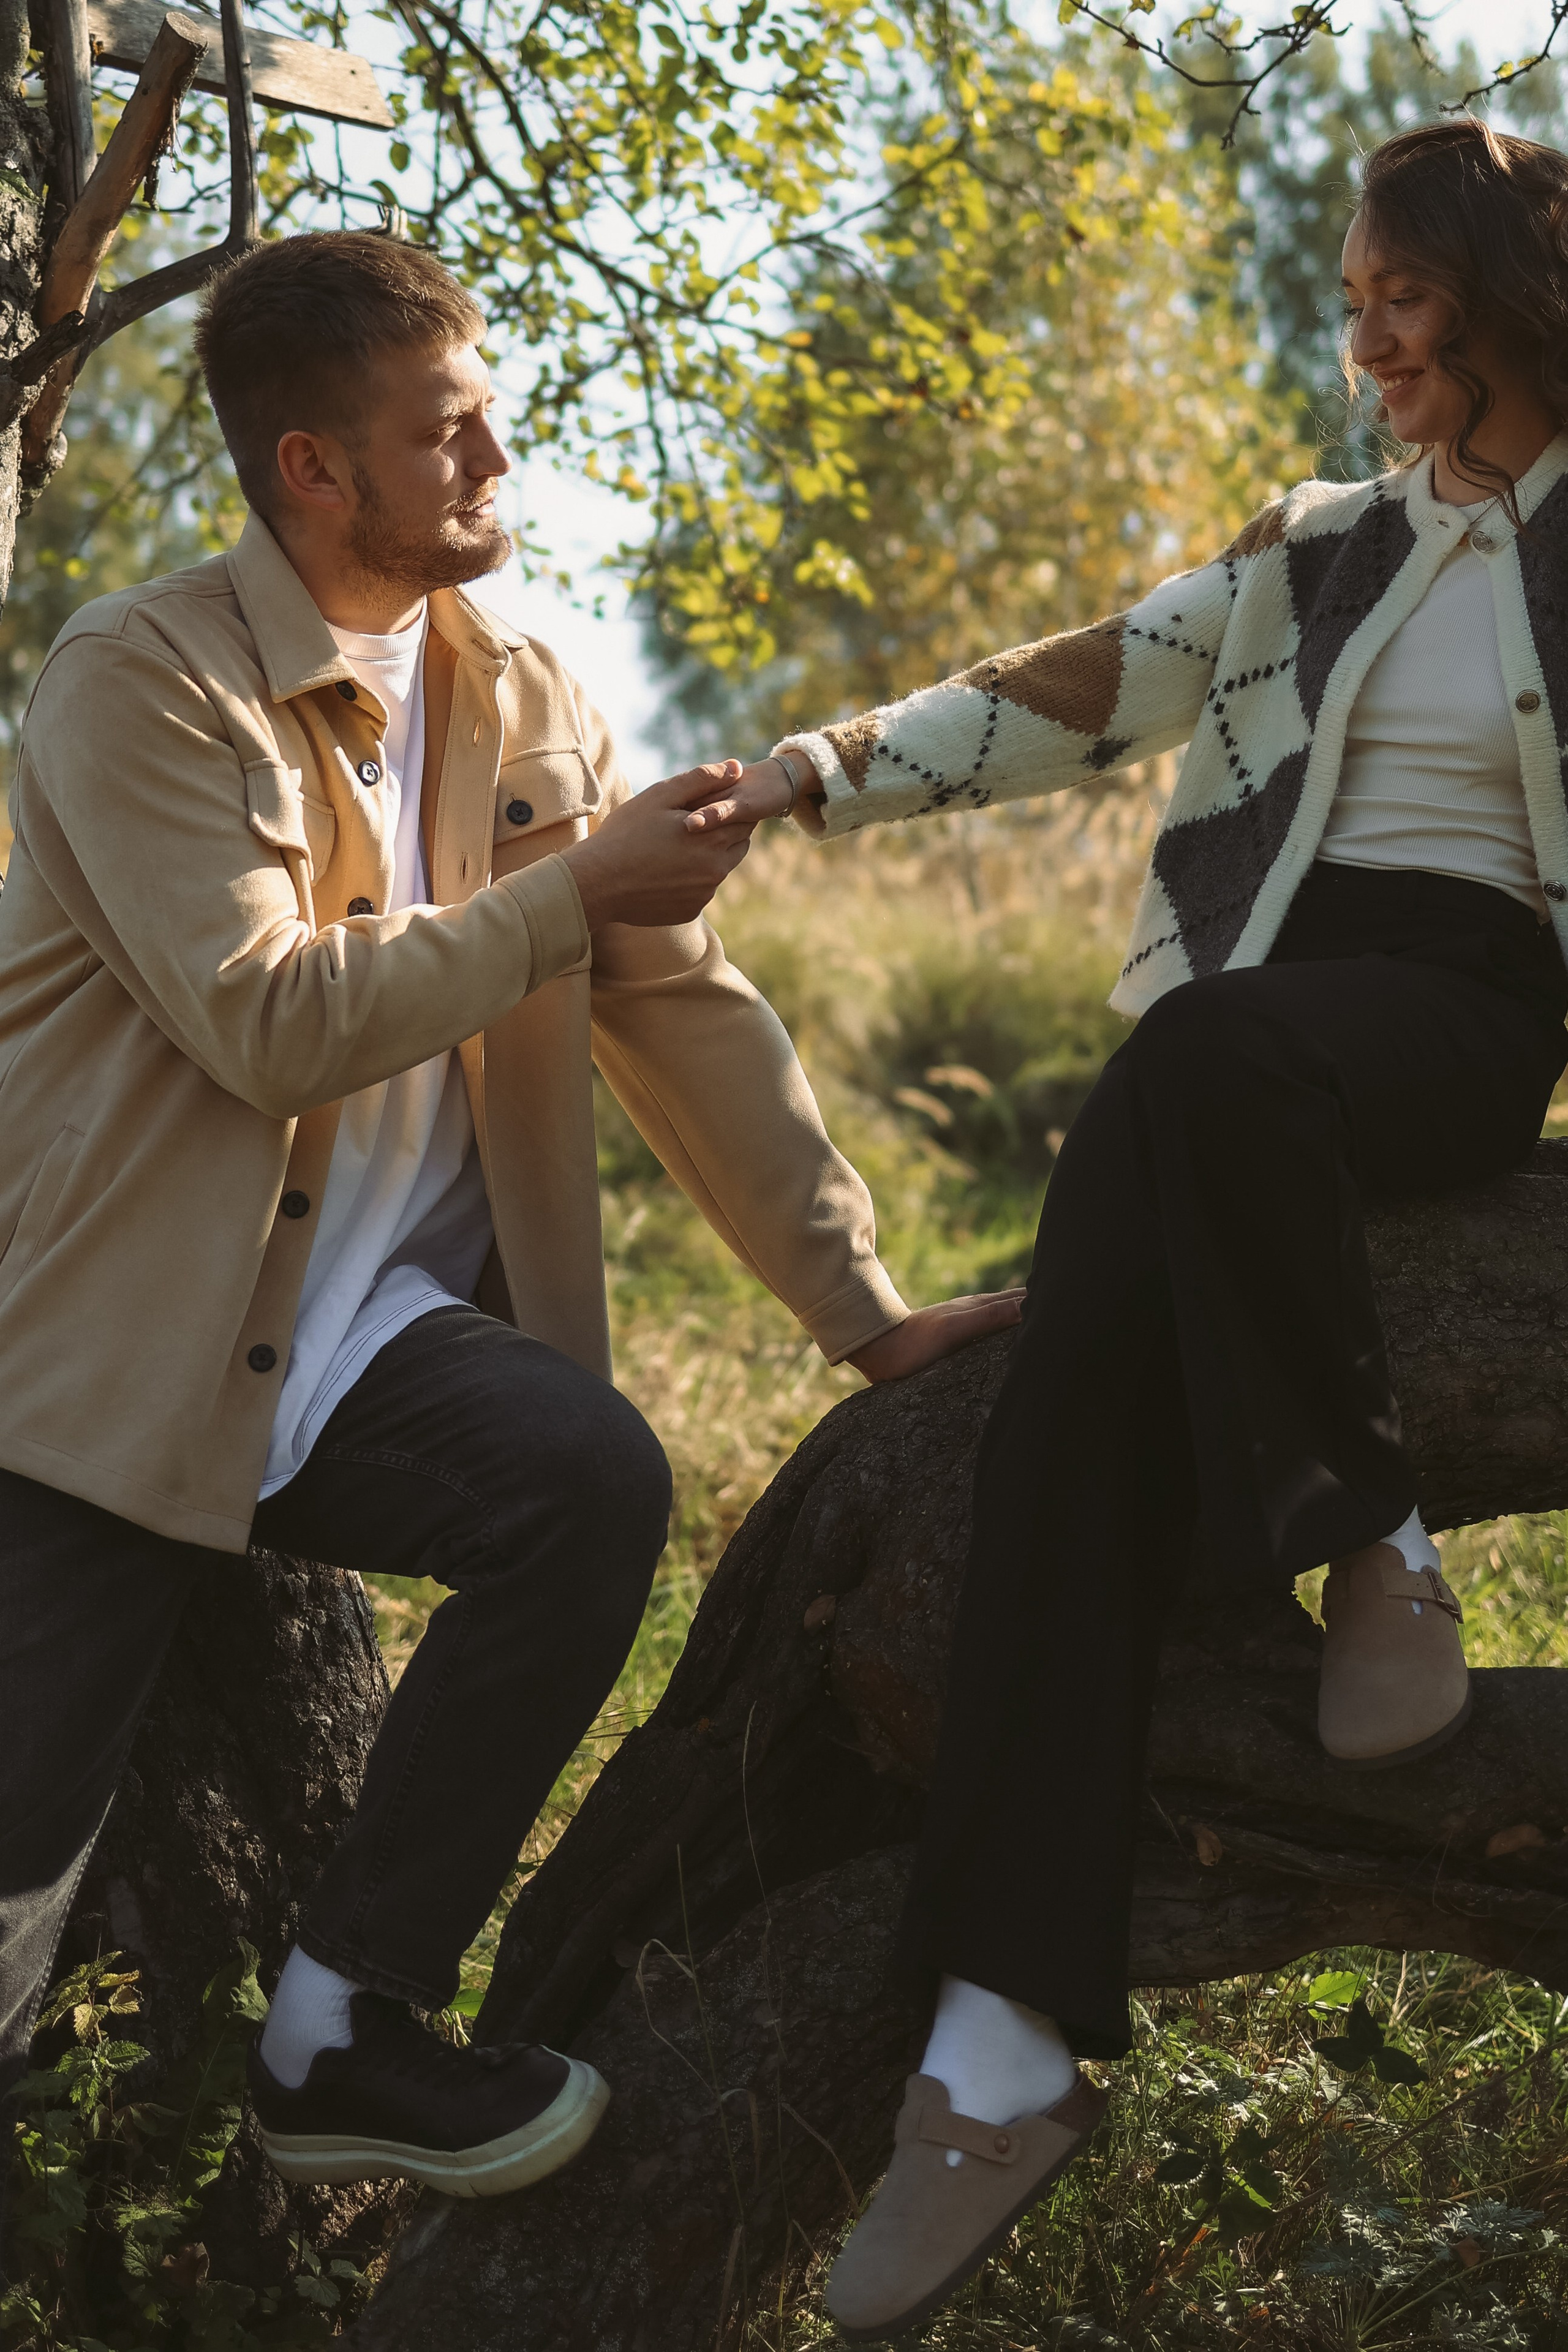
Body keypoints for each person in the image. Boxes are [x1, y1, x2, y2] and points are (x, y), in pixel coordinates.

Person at [0, 230, 1021, 2203]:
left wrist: (862, 1310)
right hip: (98, 1366)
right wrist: (576, 890)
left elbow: (672, 1001)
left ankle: (344, 2030)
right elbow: (267, 1021)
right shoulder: (137, 683)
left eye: (489, 415)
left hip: (365, 1338)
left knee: (584, 1482)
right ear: (315, 469)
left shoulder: (527, 681)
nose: (496, 458)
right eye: (445, 431)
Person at [696, 118, 1568, 2339]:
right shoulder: (1325, 547)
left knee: (1206, 1055)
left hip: (1456, 1017)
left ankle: (1368, 1533)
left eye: (1401, 296)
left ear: (1503, 293)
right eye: (1353, 294)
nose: (1361, 333)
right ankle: (999, 2055)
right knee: (1054, 1443)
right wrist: (803, 772)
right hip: (1240, 1042)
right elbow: (1085, 685)